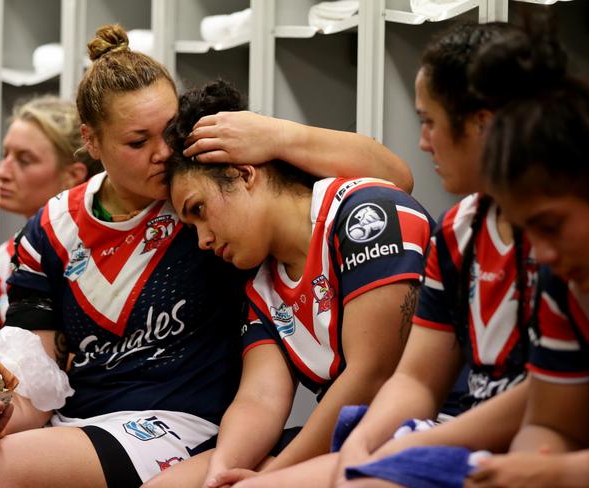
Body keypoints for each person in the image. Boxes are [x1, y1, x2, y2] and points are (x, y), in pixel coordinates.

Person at [0, 24, 413, 488]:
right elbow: (38, 376)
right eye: (137, 142)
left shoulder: (216, 185)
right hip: (78, 420)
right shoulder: (51, 228)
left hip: (178, 422)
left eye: (169, 131)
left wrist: (275, 133)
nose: (163, 154)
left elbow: (394, 179)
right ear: (92, 142)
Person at [225, 21, 543, 488]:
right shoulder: (457, 230)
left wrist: (393, 449)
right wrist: (359, 447)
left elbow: (558, 394)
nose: (422, 142)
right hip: (448, 435)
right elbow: (415, 380)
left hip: (507, 443)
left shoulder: (567, 226)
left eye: (429, 122)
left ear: (482, 123)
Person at [142, 78, 433, 488]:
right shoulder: (261, 284)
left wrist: (271, 477)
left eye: (200, 210)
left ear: (244, 174)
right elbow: (258, 400)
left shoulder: (365, 212)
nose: (203, 240)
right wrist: (220, 473)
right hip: (347, 437)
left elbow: (372, 373)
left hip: (430, 425)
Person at [463, 20, 589, 488]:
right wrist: (520, 472)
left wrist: (563, 472)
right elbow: (555, 425)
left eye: (551, 225)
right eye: (528, 232)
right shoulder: (567, 284)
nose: (541, 254)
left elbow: (564, 465)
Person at [0, 95, 103, 345]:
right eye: (4, 155)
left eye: (24, 160)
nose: (1, 172)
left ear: (73, 176)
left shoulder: (111, 249)